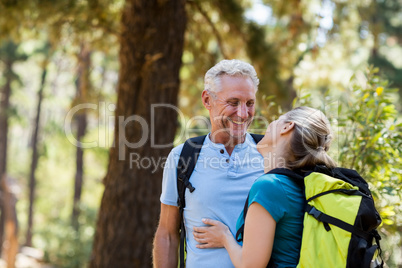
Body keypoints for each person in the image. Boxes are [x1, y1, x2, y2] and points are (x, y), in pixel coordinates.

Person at [152, 59, 265, 267]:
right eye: (233, 102)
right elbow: (167, 234)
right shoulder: (182, 158)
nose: (243, 113)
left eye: (250, 103)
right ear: (207, 100)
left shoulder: (269, 154)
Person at [193, 106, 337, 268]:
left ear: (287, 127)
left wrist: (225, 236)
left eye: (278, 119)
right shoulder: (300, 184)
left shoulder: (271, 187)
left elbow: (251, 265)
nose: (270, 124)